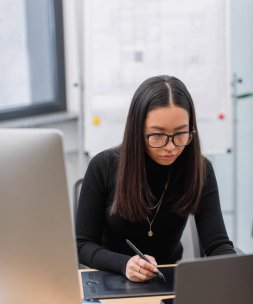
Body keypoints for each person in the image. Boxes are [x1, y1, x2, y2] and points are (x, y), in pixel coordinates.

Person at [76, 75, 235, 282]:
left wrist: (236, 274)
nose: (170, 146)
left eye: (180, 134)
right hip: (111, 278)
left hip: (169, 282)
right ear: (138, 130)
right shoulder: (103, 166)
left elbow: (217, 245)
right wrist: (124, 264)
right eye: (157, 135)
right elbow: (83, 244)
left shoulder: (199, 170)